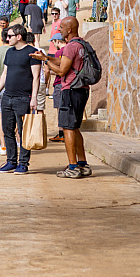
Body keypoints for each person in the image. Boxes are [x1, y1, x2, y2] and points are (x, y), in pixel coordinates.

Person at [40, 17, 92, 179]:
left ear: (69, 30)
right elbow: (65, 61)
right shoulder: (82, 44)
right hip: (82, 89)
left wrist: (46, 63)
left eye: (61, 27)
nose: (59, 30)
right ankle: (83, 165)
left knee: (68, 127)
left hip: (70, 90)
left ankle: (72, 167)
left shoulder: (70, 47)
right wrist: (46, 57)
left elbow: (62, 71)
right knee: (75, 127)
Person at [0, 24, 41, 174]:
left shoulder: (32, 53)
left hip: (23, 98)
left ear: (19, 36)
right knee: (7, 130)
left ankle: (23, 163)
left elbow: (36, 77)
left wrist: (33, 98)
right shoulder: (9, 52)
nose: (7, 38)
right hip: (7, 97)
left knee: (23, 132)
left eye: (10, 36)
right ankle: (11, 161)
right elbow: (5, 73)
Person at [47, 33, 67, 143]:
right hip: (67, 84)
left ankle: (61, 133)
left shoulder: (59, 52)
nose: (53, 44)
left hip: (59, 83)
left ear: (57, 41)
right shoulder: (69, 51)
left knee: (59, 108)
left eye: (53, 42)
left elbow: (58, 69)